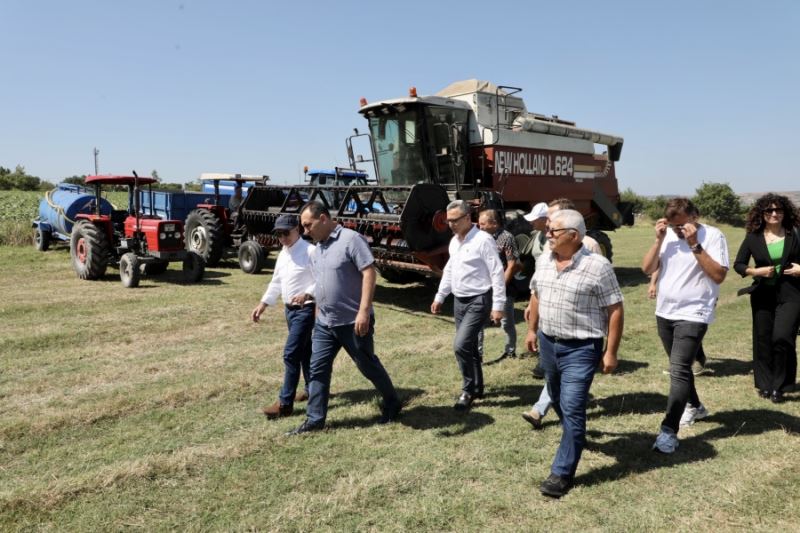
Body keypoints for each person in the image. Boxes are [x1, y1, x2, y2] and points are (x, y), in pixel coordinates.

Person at [525, 209, 623, 497]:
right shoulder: (544, 260)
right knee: (556, 398)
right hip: (548, 342)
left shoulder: (598, 266)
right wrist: (532, 330)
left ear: (574, 235)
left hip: (581, 348)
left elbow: (615, 309)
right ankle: (575, 436)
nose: (547, 234)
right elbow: (536, 294)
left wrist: (611, 351)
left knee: (572, 406)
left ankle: (561, 473)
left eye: (553, 230)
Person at [286, 201, 402, 434]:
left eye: (308, 225)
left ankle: (392, 403)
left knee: (367, 365)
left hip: (353, 322)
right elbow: (321, 282)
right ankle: (315, 420)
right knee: (317, 369)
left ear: (323, 219)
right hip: (325, 322)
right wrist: (316, 308)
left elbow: (369, 273)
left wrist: (363, 311)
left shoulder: (351, 240)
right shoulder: (318, 248)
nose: (305, 231)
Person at [642, 197, 728, 454]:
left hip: (695, 312)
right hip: (665, 311)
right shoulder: (667, 236)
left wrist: (694, 244)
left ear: (695, 217)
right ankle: (696, 406)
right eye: (673, 226)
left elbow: (719, 276)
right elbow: (647, 268)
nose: (678, 230)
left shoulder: (713, 235)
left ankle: (668, 431)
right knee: (679, 367)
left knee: (678, 369)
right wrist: (658, 240)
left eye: (682, 225)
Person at [522, 198, 603, 428]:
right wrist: (533, 305)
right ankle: (567, 423)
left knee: (566, 386)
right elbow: (541, 282)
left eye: (552, 217)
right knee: (556, 379)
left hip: (580, 333)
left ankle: (541, 410)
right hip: (551, 326)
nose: (548, 222)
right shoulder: (547, 244)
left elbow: (600, 289)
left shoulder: (589, 246)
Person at [431, 200, 506, 410]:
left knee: (461, 345)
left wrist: (498, 305)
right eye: (448, 221)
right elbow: (449, 270)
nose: (451, 225)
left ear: (467, 218)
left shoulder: (483, 240)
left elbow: (496, 272)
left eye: (455, 220)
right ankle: (477, 387)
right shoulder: (454, 242)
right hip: (459, 300)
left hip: (479, 299)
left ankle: (467, 390)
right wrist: (440, 296)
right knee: (470, 346)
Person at [733, 193, 800, 402]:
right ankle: (765, 383)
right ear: (761, 214)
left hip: (791, 294)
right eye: (769, 210)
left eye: (778, 209)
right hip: (763, 295)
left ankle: (780, 385)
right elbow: (739, 264)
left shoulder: (795, 233)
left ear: (785, 212)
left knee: (782, 336)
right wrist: (756, 271)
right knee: (763, 339)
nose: (774, 213)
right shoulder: (753, 237)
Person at [250, 214, 314, 419]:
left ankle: (285, 404)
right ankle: (313, 390)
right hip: (290, 311)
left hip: (306, 310)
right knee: (304, 352)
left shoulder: (311, 251)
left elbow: (323, 279)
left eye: (286, 233)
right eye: (278, 234)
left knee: (290, 354)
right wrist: (263, 304)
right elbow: (276, 281)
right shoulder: (283, 254)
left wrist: (307, 294)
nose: (283, 238)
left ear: (297, 230)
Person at [478, 209, 521, 361]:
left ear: (494, 223)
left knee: (506, 323)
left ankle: (510, 351)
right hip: (483, 287)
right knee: (479, 322)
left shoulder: (506, 238)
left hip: (504, 288)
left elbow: (512, 265)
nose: (480, 227)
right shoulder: (480, 238)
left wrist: (500, 287)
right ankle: (478, 355)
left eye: (483, 224)